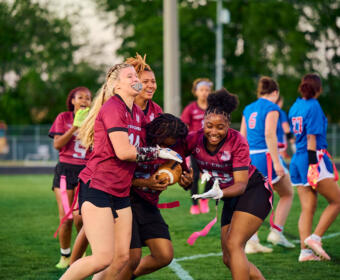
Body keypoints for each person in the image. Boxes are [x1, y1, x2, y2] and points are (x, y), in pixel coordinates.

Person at [60, 63, 182, 280]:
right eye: (129, 76)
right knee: (102, 258)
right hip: (99, 187)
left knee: (123, 258)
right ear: (115, 86)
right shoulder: (113, 108)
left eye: (136, 75)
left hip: (121, 192)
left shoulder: (136, 112)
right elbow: (124, 152)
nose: (136, 79)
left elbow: (157, 136)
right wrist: (158, 153)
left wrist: (180, 157)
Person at [187, 89, 272, 280]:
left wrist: (217, 193)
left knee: (235, 245)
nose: (214, 132)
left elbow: (241, 185)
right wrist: (182, 175)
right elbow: (176, 157)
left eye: (220, 127)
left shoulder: (238, 142)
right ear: (203, 122)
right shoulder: (194, 138)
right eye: (209, 126)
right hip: (229, 196)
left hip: (252, 190)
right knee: (228, 258)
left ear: (228, 125)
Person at [116, 114, 192, 280]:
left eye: (170, 143)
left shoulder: (174, 147)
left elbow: (182, 174)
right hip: (124, 200)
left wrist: (186, 182)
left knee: (163, 255)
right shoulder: (138, 141)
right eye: (164, 142)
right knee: (131, 257)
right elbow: (116, 177)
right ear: (157, 133)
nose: (167, 146)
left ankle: (121, 277)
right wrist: (146, 182)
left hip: (147, 203)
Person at [289, 73, 340, 262]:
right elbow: (311, 138)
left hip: (297, 159)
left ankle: (305, 252)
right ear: (318, 88)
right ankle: (315, 238)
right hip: (313, 158)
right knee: (337, 201)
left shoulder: (295, 106)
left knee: (307, 207)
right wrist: (312, 166)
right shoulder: (314, 106)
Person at [240, 77, 295, 250]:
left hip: (251, 156)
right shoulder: (272, 107)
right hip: (266, 157)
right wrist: (278, 163)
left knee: (256, 199)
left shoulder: (248, 108)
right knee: (287, 194)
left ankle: (252, 241)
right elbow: (270, 134)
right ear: (275, 92)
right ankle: (276, 232)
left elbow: (242, 136)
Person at [48, 86, 92, 268]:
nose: (84, 101)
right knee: (66, 218)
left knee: (81, 218)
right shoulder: (63, 118)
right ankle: (65, 255)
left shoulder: (94, 120)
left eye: (88, 98)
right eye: (80, 97)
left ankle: (80, 255)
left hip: (85, 172)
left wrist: (88, 125)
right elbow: (57, 144)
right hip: (66, 171)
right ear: (72, 101)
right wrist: (76, 127)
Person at [181, 78, 213, 214]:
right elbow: (183, 127)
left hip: (211, 147)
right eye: (201, 90)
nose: (204, 93)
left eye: (207, 90)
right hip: (195, 148)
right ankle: (194, 205)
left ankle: (204, 199)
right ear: (196, 92)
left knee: (212, 175)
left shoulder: (213, 108)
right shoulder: (191, 108)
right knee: (194, 176)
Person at [276, 96, 295, 160]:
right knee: (281, 162)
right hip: (280, 142)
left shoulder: (267, 112)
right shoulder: (280, 113)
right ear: (279, 102)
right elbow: (286, 128)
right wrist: (291, 139)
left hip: (268, 143)